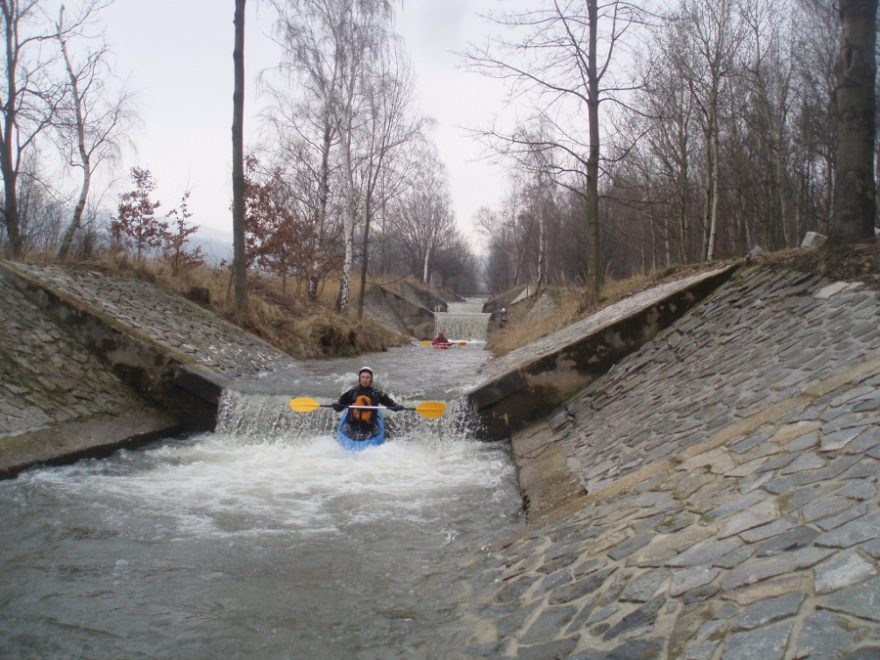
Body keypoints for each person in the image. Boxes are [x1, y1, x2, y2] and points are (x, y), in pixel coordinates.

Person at [331, 366, 404, 436]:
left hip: (369, 428)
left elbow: (390, 404)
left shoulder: (377, 394)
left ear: (371, 380)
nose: (365, 380)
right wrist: (336, 405)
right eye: (362, 377)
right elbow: (340, 405)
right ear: (360, 379)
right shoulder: (351, 392)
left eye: (367, 377)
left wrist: (396, 407)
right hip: (352, 427)